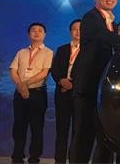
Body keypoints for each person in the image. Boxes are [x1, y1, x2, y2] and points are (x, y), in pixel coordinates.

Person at [70, 0, 120, 164]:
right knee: (83, 136)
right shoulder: (91, 18)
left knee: (105, 137)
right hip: (88, 87)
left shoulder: (113, 22)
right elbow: (102, 36)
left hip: (104, 89)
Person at [9, 22, 54, 164]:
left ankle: (34, 158)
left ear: (44, 35)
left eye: (40, 30)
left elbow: (44, 73)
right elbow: (13, 70)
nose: (36, 32)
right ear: (29, 34)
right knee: (18, 126)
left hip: (37, 94)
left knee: (37, 127)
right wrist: (20, 86)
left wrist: (25, 84)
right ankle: (17, 156)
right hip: (20, 93)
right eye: (33, 30)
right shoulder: (21, 52)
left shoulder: (48, 52)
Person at [50, 19, 81, 164]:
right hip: (62, 93)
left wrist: (73, 85)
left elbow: (89, 72)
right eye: (75, 29)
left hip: (79, 95)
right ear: (70, 32)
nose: (78, 32)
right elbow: (55, 68)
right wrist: (61, 81)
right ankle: (59, 161)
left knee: (77, 132)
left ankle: (74, 160)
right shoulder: (62, 49)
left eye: (81, 29)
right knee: (61, 131)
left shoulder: (89, 50)